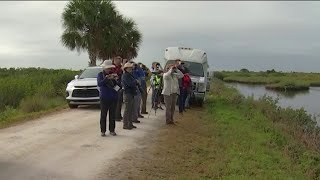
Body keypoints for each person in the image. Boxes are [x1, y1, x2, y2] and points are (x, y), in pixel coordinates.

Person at [97, 60, 118, 136]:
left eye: (110, 68)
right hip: (104, 97)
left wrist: (116, 79)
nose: (109, 70)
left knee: (112, 115)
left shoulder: (113, 74)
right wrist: (106, 78)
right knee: (103, 115)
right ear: (104, 68)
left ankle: (112, 130)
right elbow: (99, 83)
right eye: (108, 68)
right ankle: (103, 131)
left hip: (113, 97)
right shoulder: (100, 75)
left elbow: (117, 86)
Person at [121, 62, 138, 130]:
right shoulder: (125, 75)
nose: (131, 69)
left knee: (131, 109)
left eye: (131, 68)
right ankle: (125, 124)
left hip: (131, 93)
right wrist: (135, 82)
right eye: (129, 68)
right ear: (126, 69)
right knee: (127, 109)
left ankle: (130, 123)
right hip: (127, 93)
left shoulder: (130, 75)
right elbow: (129, 84)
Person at [112, 55, 124, 122]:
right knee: (117, 101)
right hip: (116, 86)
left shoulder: (120, 67)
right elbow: (117, 74)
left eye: (120, 59)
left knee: (120, 101)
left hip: (120, 86)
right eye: (118, 59)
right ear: (115, 60)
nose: (119, 61)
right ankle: (116, 116)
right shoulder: (113, 68)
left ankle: (118, 115)